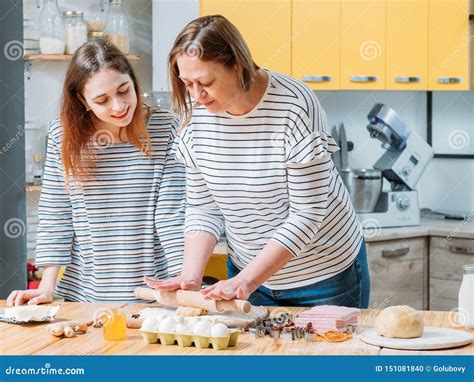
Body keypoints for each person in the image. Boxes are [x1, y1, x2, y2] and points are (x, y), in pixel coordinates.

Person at [144, 15, 370, 308]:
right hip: (246, 278)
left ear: (237, 65)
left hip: (324, 277)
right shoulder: (194, 116)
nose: (197, 96)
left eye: (206, 82)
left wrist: (248, 279)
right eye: (187, 84)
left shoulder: (294, 105)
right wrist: (190, 275)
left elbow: (308, 213)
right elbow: (203, 207)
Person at [7, 39, 185, 305]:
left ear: (133, 81)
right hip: (83, 298)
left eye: (124, 90)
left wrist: (183, 279)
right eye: (102, 100)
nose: (118, 106)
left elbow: (173, 215)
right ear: (82, 100)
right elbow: (56, 216)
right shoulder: (63, 136)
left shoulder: (165, 128)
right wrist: (46, 287)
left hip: (153, 298)